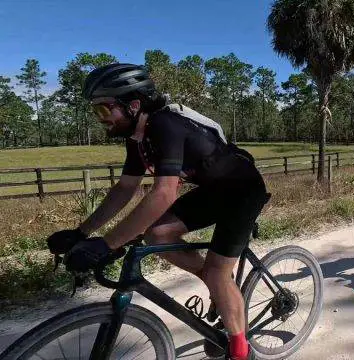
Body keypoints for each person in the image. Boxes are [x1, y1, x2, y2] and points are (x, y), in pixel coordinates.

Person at [45, 63, 264, 360]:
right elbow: (125, 188)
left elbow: (164, 193)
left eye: (104, 111)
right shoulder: (138, 138)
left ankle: (240, 351)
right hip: (213, 191)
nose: (102, 120)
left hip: (242, 192)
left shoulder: (165, 125)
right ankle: (218, 285)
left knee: (217, 272)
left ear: (133, 105)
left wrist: (108, 244)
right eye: (97, 113)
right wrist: (81, 232)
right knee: (157, 235)